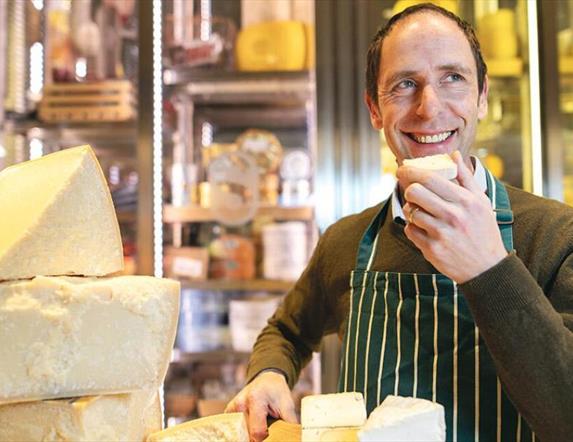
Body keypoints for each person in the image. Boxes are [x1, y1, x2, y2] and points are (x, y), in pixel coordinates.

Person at [226, 4, 573, 442]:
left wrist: (489, 268)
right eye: (405, 85)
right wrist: (269, 373)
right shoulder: (346, 241)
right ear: (375, 109)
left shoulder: (556, 236)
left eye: (453, 78)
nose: (429, 109)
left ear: (481, 96)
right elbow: (287, 330)